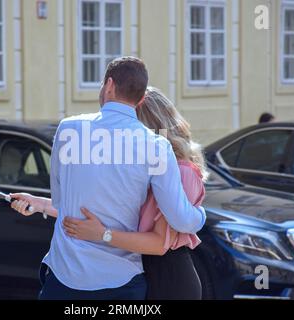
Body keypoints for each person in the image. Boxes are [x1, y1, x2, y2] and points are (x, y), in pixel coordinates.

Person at [10, 57, 206, 300]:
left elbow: (63, 203)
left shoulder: (69, 129)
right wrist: (200, 215)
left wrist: (47, 204)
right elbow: (180, 219)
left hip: (66, 276)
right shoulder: (157, 146)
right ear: (141, 99)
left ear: (109, 85)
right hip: (120, 281)